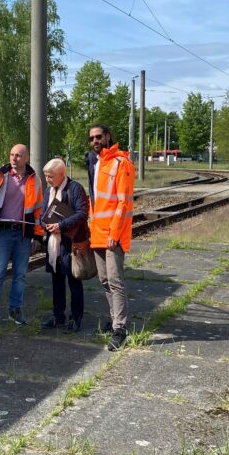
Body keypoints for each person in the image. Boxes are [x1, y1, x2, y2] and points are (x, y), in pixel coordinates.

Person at [0, 144, 43, 328]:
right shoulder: (0, 176)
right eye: (12, 154)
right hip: (3, 232)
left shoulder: (34, 180)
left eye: (18, 155)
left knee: (20, 275)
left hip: (23, 234)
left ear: (27, 158)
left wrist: (38, 237)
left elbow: (38, 211)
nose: (14, 159)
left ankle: (15, 311)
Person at [87, 123, 135, 350]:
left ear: (108, 136)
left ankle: (120, 329)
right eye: (92, 139)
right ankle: (114, 317)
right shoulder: (97, 163)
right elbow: (96, 199)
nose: (95, 141)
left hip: (112, 235)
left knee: (115, 281)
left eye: (98, 137)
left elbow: (123, 202)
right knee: (105, 281)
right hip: (97, 232)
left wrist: (114, 234)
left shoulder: (120, 163)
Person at [39, 157, 88, 332]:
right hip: (54, 244)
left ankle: (76, 318)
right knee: (57, 281)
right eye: (46, 176)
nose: (47, 180)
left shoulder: (75, 188)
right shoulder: (48, 190)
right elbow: (42, 215)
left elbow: (83, 213)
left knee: (74, 281)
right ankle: (58, 315)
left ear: (61, 174)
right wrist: (46, 225)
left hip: (70, 243)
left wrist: (61, 225)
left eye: (50, 176)